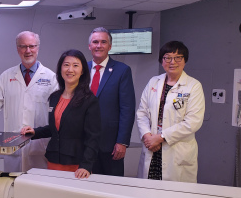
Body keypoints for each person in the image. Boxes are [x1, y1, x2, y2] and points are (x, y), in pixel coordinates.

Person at [0, 31, 58, 172]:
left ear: (38, 47)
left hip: (39, 146)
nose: (28, 50)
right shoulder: (6, 76)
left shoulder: (51, 78)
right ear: (17, 48)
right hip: (13, 144)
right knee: (12, 187)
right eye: (23, 46)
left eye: (32, 46)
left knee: (38, 189)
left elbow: (58, 111)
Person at [21, 49, 100, 178]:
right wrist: (35, 132)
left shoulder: (89, 100)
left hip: (76, 165)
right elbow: (57, 128)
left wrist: (86, 165)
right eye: (66, 65)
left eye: (75, 65)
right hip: (53, 161)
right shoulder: (55, 97)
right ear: (60, 69)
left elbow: (93, 137)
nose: (70, 69)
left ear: (82, 71)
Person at [136, 41, 205, 182]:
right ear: (162, 61)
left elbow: (193, 122)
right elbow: (141, 113)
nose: (172, 62)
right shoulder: (153, 82)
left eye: (178, 57)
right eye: (167, 57)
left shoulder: (193, 86)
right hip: (153, 148)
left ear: (185, 60)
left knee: (174, 197)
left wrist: (160, 137)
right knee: (148, 193)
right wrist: (147, 136)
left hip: (175, 150)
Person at [88, 27, 135, 176]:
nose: (99, 45)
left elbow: (127, 109)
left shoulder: (122, 70)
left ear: (110, 46)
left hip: (110, 144)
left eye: (103, 42)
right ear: (89, 46)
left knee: (112, 187)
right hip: (85, 143)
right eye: (95, 42)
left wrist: (122, 142)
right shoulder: (81, 69)